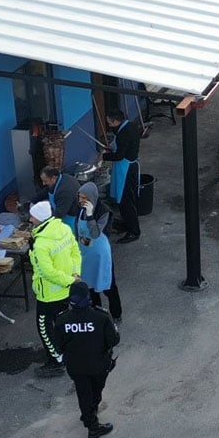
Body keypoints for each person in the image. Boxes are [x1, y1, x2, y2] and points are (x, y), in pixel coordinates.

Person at [54, 282, 119, 438]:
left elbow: (58, 345)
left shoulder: (62, 320)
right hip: (99, 365)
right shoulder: (101, 316)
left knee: (83, 393)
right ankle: (92, 423)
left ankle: (89, 418)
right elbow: (114, 340)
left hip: (76, 367)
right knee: (95, 392)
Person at [28, 201, 81, 378]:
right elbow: (76, 252)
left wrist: (68, 281)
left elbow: (46, 271)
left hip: (48, 295)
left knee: (44, 327)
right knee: (62, 324)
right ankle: (67, 351)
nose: (30, 219)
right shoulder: (64, 229)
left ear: (39, 218)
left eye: (32, 216)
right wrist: (74, 276)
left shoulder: (41, 244)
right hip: (66, 291)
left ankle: (56, 360)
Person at [72, 183, 121, 323]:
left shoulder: (103, 211)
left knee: (108, 285)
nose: (81, 200)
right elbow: (77, 229)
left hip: (100, 254)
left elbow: (95, 233)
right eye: (80, 197)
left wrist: (89, 216)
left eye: (84, 197)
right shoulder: (79, 208)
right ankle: (97, 313)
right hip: (86, 253)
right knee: (90, 285)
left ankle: (116, 314)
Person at [102, 110, 143, 244]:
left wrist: (104, 156)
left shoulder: (123, 134)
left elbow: (119, 155)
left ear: (115, 121)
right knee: (127, 199)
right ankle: (128, 224)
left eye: (109, 123)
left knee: (126, 201)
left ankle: (134, 231)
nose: (109, 125)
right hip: (129, 166)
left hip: (125, 169)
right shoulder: (131, 126)